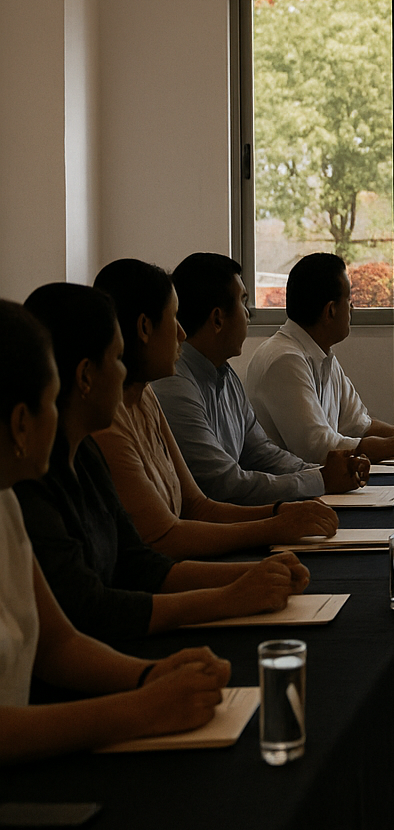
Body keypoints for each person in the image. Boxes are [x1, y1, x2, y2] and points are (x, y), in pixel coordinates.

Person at [0, 300, 233, 764]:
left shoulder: (6, 498)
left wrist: (150, 675)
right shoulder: (25, 492)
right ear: (22, 423)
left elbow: (57, 643)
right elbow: (88, 608)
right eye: (51, 400)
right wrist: (142, 708)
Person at [15, 284, 311, 641]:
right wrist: (231, 592)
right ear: (84, 377)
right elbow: (92, 608)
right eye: (117, 358)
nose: (182, 333)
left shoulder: (87, 452)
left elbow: (140, 559)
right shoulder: (34, 485)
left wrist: (254, 572)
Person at [91, 258, 339, 559]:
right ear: (145, 328)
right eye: (174, 319)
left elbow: (198, 505)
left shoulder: (147, 395)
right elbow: (166, 537)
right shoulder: (129, 408)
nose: (182, 334)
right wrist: (276, 525)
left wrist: (281, 510)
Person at [155, 252, 368, 505]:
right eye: (243, 302)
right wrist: (321, 480)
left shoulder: (225, 375)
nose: (248, 314)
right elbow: (224, 484)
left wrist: (319, 473)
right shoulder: (176, 385)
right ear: (218, 319)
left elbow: (261, 454)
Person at [246, 252, 394, 463]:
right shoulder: (284, 360)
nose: (353, 309)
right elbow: (320, 449)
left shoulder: (321, 355)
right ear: (331, 310)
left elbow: (359, 425)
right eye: (349, 301)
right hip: (292, 483)